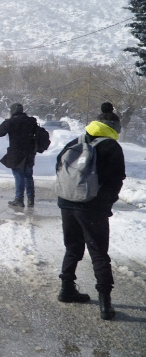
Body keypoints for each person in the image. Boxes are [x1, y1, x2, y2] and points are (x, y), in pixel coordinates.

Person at [56, 102, 125, 321]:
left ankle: (67, 289)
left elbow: (59, 165)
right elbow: (116, 180)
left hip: (67, 201)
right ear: (114, 127)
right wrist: (105, 205)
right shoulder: (111, 147)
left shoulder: (76, 141)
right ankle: (105, 303)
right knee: (98, 253)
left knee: (72, 247)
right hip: (92, 207)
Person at [0, 103, 39, 207]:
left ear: (12, 111)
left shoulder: (11, 122)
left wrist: (7, 122)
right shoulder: (31, 121)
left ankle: (19, 199)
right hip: (29, 152)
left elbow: (0, 133)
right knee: (28, 176)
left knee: (19, 175)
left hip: (16, 153)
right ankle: (31, 199)